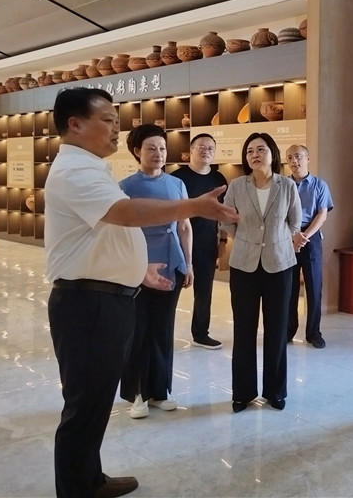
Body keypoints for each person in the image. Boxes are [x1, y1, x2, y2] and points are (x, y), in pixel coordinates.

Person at [44, 87, 237, 498]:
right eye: (107, 121)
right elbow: (125, 213)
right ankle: (77, 489)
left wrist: (137, 269)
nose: (116, 130)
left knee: (96, 401)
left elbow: (104, 232)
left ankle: (90, 479)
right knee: (84, 406)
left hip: (103, 296)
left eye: (117, 122)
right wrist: (193, 207)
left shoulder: (90, 167)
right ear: (75, 124)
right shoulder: (75, 170)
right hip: (88, 303)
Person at [221, 132, 302, 413]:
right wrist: (247, 240)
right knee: (244, 329)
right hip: (244, 265)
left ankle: (275, 391)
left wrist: (276, 241)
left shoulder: (287, 185)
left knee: (277, 329)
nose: (255, 155)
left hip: (279, 264)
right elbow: (227, 221)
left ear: (272, 154)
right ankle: (242, 393)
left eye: (261, 149)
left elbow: (295, 221)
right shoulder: (237, 185)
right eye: (250, 151)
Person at [118, 124, 192, 419]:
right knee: (137, 329)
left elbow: (185, 226)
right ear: (137, 152)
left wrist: (189, 264)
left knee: (163, 328)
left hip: (172, 260)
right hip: (138, 263)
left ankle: (161, 390)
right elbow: (120, 232)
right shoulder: (125, 187)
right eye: (151, 148)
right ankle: (138, 392)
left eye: (162, 148)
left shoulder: (177, 184)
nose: (158, 153)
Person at [171, 133, 229, 349]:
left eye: (210, 148)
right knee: (172, 292)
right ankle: (163, 334)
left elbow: (223, 213)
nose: (206, 151)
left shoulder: (218, 179)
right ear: (191, 150)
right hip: (178, 243)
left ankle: (201, 333)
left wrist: (222, 240)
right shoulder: (177, 178)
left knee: (204, 292)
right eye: (201, 147)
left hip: (206, 244)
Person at [285, 144, 334, 348]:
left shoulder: (319, 185)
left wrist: (304, 236)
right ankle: (287, 331)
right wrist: (293, 235)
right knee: (289, 288)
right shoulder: (282, 184)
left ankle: (313, 333)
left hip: (311, 238)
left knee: (314, 288)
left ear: (307, 158)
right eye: (290, 158)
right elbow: (279, 214)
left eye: (298, 156)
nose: (294, 161)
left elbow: (322, 214)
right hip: (288, 237)